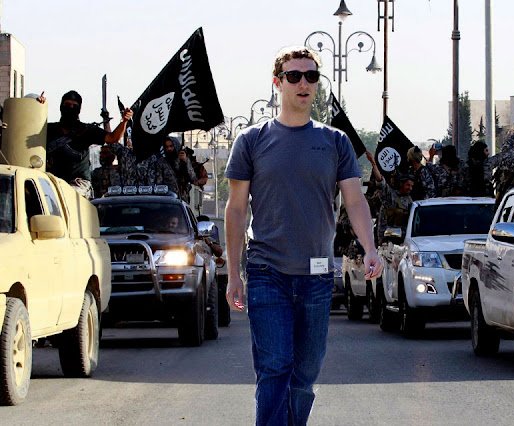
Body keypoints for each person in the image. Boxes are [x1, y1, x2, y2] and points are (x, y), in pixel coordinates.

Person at [224, 46, 382, 426]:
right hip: (267, 272)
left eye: (311, 76)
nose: (303, 83)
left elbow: (354, 199)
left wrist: (370, 247)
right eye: (294, 76)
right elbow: (236, 209)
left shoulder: (335, 142)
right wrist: (233, 273)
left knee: (305, 375)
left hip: (317, 275)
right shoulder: (251, 140)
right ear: (277, 83)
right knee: (275, 366)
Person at [40, 91, 133, 196]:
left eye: (74, 106)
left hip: (78, 183)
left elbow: (113, 138)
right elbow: (29, 128)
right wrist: (37, 106)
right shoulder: (50, 130)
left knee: (68, 196)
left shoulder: (86, 131)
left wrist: (124, 121)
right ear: (61, 106)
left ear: (79, 109)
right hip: (53, 181)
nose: (71, 108)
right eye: (67, 105)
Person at [367, 150, 414, 244]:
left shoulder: (409, 200)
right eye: (408, 185)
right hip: (386, 239)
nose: (410, 188)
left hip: (402, 240)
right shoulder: (390, 195)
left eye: (411, 186)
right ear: (401, 184)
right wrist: (373, 163)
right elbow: (380, 181)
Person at [138, 136, 196, 201]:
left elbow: (192, 178)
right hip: (168, 199)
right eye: (166, 147)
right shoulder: (161, 162)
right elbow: (159, 182)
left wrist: (185, 162)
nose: (169, 149)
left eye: (171, 146)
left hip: (183, 199)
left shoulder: (184, 161)